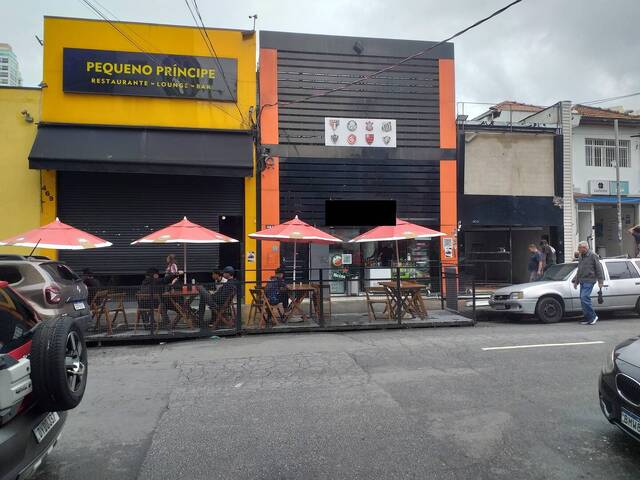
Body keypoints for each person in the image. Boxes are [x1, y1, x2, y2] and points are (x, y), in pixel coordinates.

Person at [572, 241, 604, 325]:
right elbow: (579, 269)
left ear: (585, 248)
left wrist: (600, 281)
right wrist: (576, 281)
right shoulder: (581, 256)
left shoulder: (593, 255)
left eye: (579, 248)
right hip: (582, 280)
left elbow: (599, 269)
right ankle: (587, 317)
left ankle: (593, 317)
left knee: (584, 297)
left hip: (590, 280)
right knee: (583, 299)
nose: (578, 249)